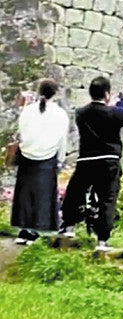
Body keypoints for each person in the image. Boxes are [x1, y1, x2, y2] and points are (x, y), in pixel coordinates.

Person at [59, 77, 123, 251]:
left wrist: (110, 102)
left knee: (75, 192)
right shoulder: (114, 113)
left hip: (86, 160)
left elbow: (99, 111)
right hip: (108, 162)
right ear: (107, 93)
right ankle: (102, 241)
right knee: (107, 199)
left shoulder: (81, 113)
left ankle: (68, 227)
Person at [11, 80, 69, 245]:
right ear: (56, 93)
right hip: (48, 157)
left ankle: (23, 230)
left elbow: (21, 132)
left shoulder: (27, 111)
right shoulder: (60, 114)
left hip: (27, 155)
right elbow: (62, 140)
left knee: (24, 194)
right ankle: (35, 230)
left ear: (38, 91)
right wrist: (60, 159)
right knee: (42, 194)